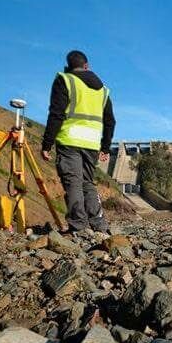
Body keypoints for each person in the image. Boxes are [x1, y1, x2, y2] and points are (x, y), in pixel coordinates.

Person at [41, 50, 115, 234]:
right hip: (91, 143)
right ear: (87, 66)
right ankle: (99, 224)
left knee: (73, 183)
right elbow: (110, 121)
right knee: (88, 183)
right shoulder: (102, 90)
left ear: (68, 65)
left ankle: (79, 226)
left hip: (69, 140)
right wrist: (105, 147)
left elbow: (56, 114)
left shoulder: (65, 80)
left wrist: (47, 144)